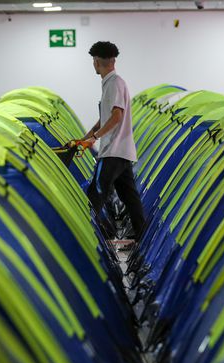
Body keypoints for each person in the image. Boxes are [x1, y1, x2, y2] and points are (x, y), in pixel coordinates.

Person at [82, 41, 146, 241]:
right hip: (122, 151)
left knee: (95, 194)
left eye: (93, 61)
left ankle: (87, 238)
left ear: (96, 61)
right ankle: (142, 237)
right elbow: (106, 117)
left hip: (113, 151)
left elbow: (117, 116)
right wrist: (84, 138)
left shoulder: (115, 83)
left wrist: (94, 138)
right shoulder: (112, 83)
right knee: (130, 197)